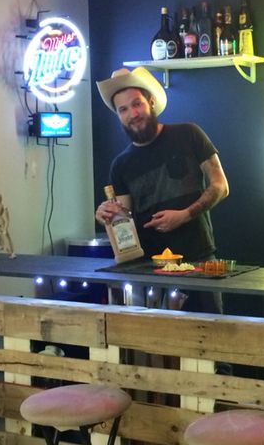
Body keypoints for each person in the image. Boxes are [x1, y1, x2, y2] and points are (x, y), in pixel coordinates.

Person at [95, 67, 229, 308]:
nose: (132, 114)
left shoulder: (189, 134)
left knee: (213, 336)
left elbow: (220, 185)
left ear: (151, 102)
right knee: (158, 343)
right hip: (149, 269)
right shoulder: (121, 164)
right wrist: (107, 216)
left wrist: (185, 215)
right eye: (122, 109)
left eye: (136, 104)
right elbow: (125, 220)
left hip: (199, 260)